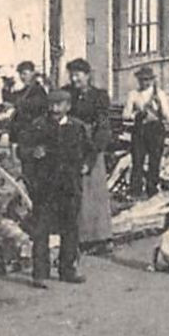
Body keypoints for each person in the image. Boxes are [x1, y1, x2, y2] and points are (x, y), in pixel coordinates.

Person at [25, 88, 91, 286]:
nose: (54, 109)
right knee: (41, 228)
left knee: (70, 227)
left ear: (68, 107)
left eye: (59, 105)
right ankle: (40, 273)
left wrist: (87, 164)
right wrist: (32, 153)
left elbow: (89, 150)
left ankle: (67, 270)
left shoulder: (77, 127)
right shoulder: (38, 126)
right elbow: (23, 149)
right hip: (45, 186)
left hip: (69, 185)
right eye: (51, 104)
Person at [65, 59, 114, 250]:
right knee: (77, 194)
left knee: (95, 193)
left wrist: (93, 154)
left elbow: (103, 126)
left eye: (78, 74)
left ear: (88, 75)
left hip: (91, 146)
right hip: (72, 147)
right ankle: (82, 238)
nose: (74, 78)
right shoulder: (68, 94)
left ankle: (101, 238)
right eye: (71, 74)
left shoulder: (99, 96)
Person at [122, 66, 169, 199]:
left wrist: (158, 108)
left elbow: (167, 115)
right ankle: (135, 190)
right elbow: (126, 114)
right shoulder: (133, 94)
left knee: (154, 160)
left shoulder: (159, 94)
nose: (145, 83)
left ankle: (152, 189)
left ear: (152, 80)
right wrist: (136, 114)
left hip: (155, 129)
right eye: (142, 80)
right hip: (139, 130)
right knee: (137, 160)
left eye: (148, 80)